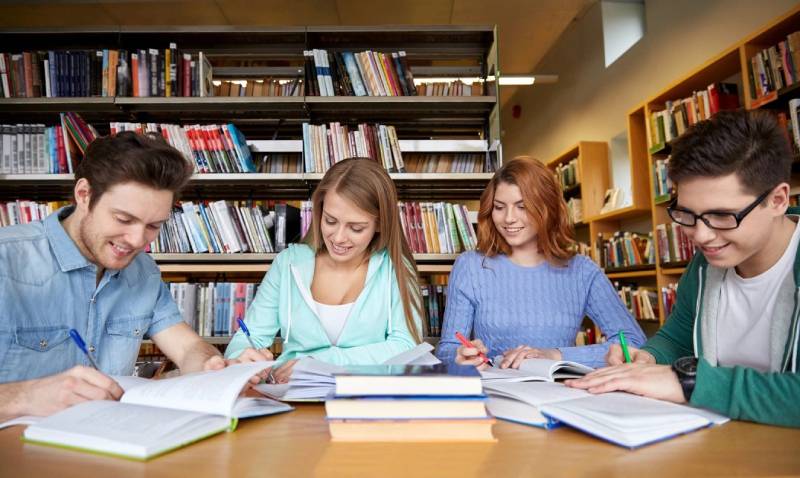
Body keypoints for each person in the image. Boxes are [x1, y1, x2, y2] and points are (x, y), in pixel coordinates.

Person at [0, 132, 258, 421]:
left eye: (153, 226)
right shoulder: (5, 259)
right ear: (84, 195)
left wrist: (213, 366)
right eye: (124, 219)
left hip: (111, 444)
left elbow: (188, 349)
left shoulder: (143, 272)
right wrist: (27, 396)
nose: (137, 240)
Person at [568, 110, 800, 427]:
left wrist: (689, 383)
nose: (702, 236)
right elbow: (677, 338)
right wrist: (649, 357)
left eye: (722, 216)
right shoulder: (707, 264)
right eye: (687, 214)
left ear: (778, 199)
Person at [436, 157, 645, 369]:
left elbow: (633, 343)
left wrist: (554, 355)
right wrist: (461, 356)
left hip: (561, 393)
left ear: (547, 208)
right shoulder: (470, 266)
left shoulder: (582, 271)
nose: (509, 218)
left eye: (522, 206)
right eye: (499, 207)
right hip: (496, 393)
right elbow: (447, 348)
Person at [225, 158, 423, 382]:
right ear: (319, 212)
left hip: (368, 401)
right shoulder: (288, 263)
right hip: (294, 399)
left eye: (356, 228)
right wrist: (241, 357)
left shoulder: (395, 269)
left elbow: (406, 347)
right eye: (330, 221)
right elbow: (246, 339)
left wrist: (324, 363)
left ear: (379, 224)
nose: (338, 238)